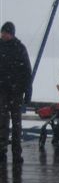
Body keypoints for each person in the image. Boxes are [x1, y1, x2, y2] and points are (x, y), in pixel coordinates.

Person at [0, 21, 31, 165]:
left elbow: (27, 71)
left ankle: (17, 153)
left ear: (11, 34)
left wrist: (28, 91)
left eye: (6, 32)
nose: (3, 35)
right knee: (2, 123)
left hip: (16, 92)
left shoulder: (20, 48)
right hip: (2, 91)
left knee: (16, 124)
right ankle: (2, 152)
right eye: (2, 32)